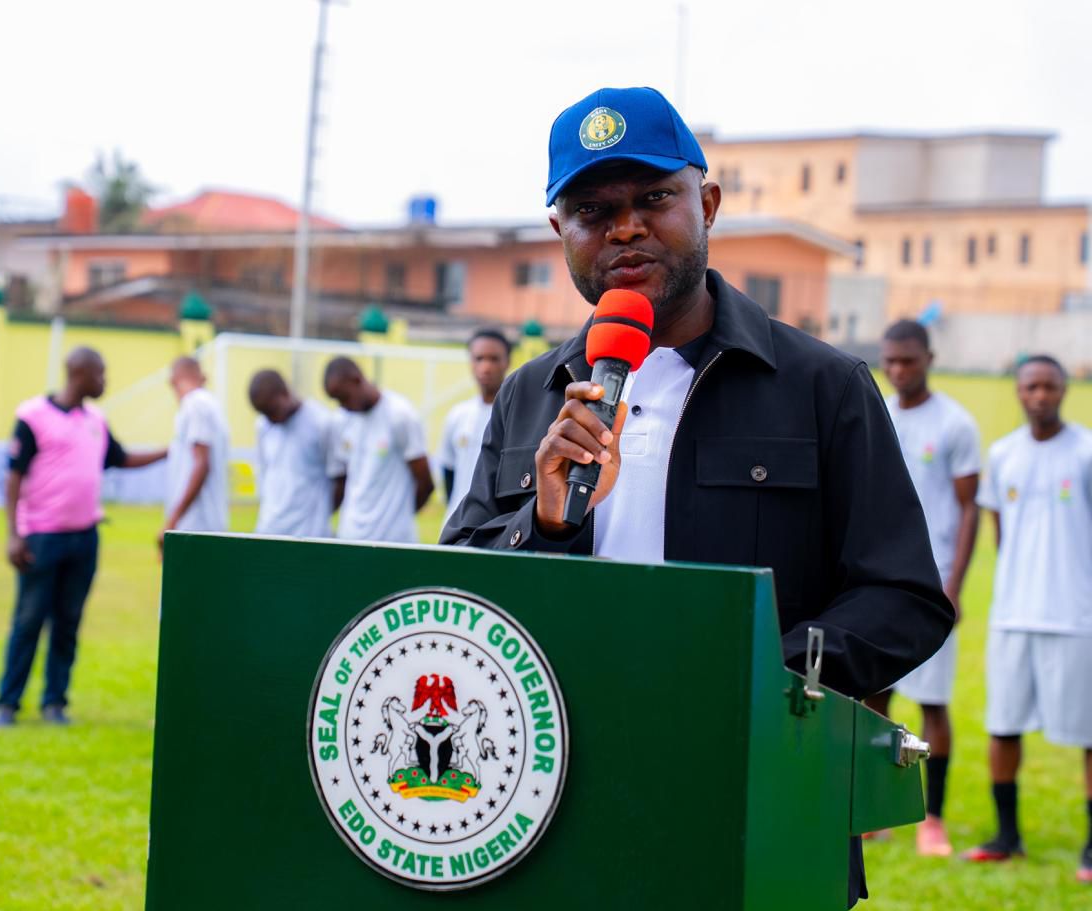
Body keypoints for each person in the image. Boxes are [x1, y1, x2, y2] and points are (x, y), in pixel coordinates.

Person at [440, 85, 952, 908]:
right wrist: (541, 523)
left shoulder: (822, 386)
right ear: (559, 232)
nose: (625, 228)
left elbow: (904, 597)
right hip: (549, 804)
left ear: (706, 204)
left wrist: (754, 679)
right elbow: (456, 593)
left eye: (653, 199)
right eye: (593, 210)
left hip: (755, 800)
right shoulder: (532, 394)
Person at [965, 355, 1092, 884]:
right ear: (1018, 391)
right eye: (1031, 387)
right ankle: (1007, 836)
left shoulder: (1086, 451)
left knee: (1088, 734)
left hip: (1077, 617)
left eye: (1049, 386)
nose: (1040, 395)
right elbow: (1002, 534)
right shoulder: (1003, 454)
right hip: (1013, 614)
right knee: (1003, 726)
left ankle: (1091, 847)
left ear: (1064, 390)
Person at [0, 347, 166, 728]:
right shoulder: (33, 416)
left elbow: (120, 459)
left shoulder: (95, 420)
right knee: (29, 621)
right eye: (100, 374)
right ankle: (6, 705)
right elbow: (14, 476)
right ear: (79, 373)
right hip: (42, 538)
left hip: (84, 539)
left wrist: (169, 452)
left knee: (68, 623)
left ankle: (55, 703)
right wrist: (13, 534)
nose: (104, 381)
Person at [862, 319, 980, 856]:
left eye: (908, 360)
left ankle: (934, 819)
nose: (898, 369)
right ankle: (875, 812)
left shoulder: (955, 424)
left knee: (933, 702)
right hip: (879, 583)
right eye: (890, 360)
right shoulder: (876, 411)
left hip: (932, 586)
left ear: (929, 358)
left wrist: (953, 585)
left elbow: (969, 508)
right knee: (873, 698)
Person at [323, 356, 433, 543]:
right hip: (350, 536)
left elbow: (425, 483)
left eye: (344, 398)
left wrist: (399, 517)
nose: (343, 406)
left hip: (393, 541)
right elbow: (345, 480)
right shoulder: (341, 420)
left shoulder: (400, 414)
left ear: (357, 380)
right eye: (337, 401)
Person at [438, 328, 512, 529]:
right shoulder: (458, 415)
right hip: (456, 527)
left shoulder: (516, 416)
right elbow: (449, 472)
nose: (486, 367)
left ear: (507, 362)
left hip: (496, 529)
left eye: (494, 359)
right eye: (479, 358)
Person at [250, 368, 337, 538]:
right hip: (268, 530)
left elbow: (340, 479)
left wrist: (318, 515)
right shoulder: (262, 425)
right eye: (264, 413)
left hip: (310, 536)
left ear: (285, 393)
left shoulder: (321, 422)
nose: (270, 419)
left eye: (272, 411)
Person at [161, 356, 230, 551]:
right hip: (207, 522)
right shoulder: (211, 405)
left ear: (173, 381)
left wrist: (172, 520)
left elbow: (201, 464)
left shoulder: (195, 404)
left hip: (196, 524)